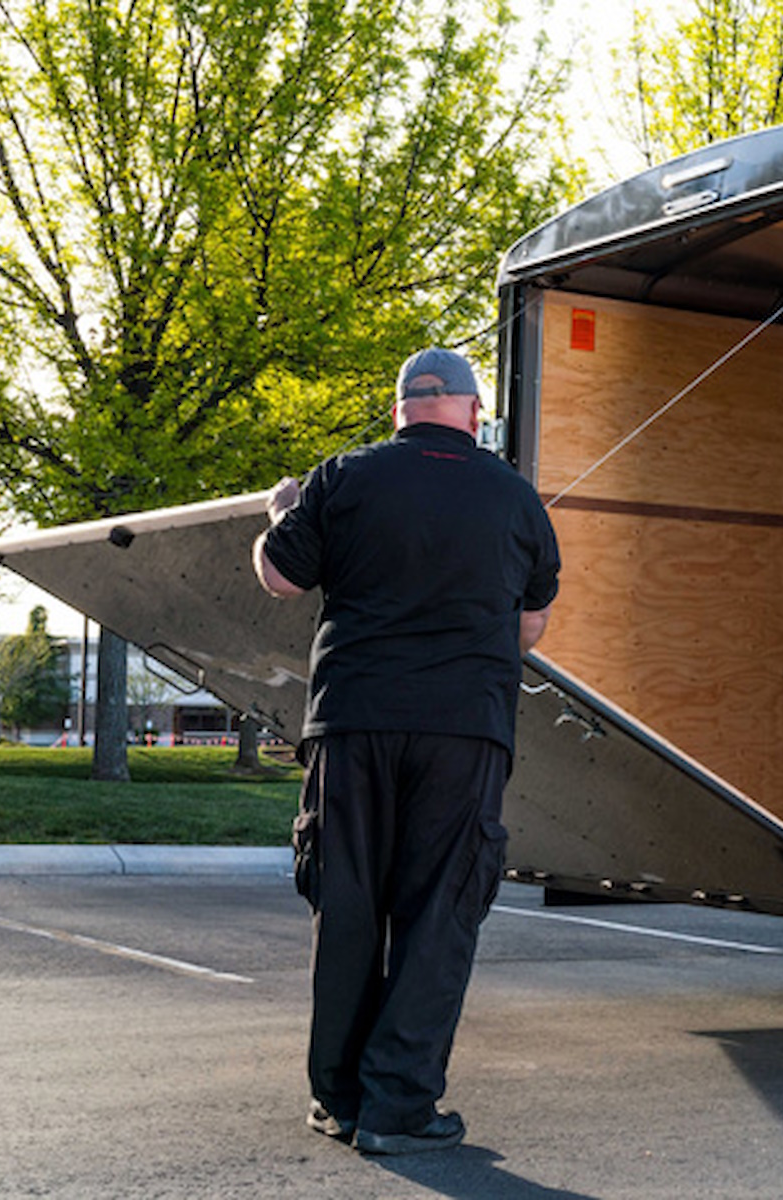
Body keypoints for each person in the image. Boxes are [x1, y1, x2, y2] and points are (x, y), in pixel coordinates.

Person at [252, 346, 560, 1156]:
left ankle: (340, 1100)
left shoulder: (344, 477)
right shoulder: (515, 496)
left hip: (353, 720)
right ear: (472, 411)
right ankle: (399, 1108)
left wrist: (283, 512)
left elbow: (279, 577)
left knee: (348, 902)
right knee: (439, 912)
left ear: (400, 410)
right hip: (465, 730)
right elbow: (530, 625)